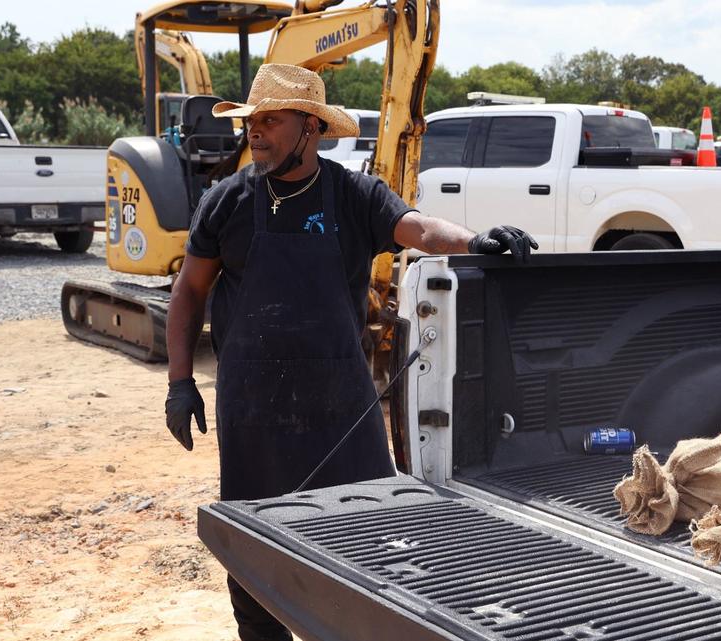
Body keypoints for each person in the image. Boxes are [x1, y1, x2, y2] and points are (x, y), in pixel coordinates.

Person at [163, 63, 537, 641]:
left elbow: (420, 230)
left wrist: (476, 241)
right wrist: (180, 383)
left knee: (366, 537)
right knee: (256, 548)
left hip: (340, 407)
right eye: (252, 120)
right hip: (254, 410)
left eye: (272, 120)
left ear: (310, 128)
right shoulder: (226, 201)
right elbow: (189, 292)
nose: (255, 131)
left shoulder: (353, 195)